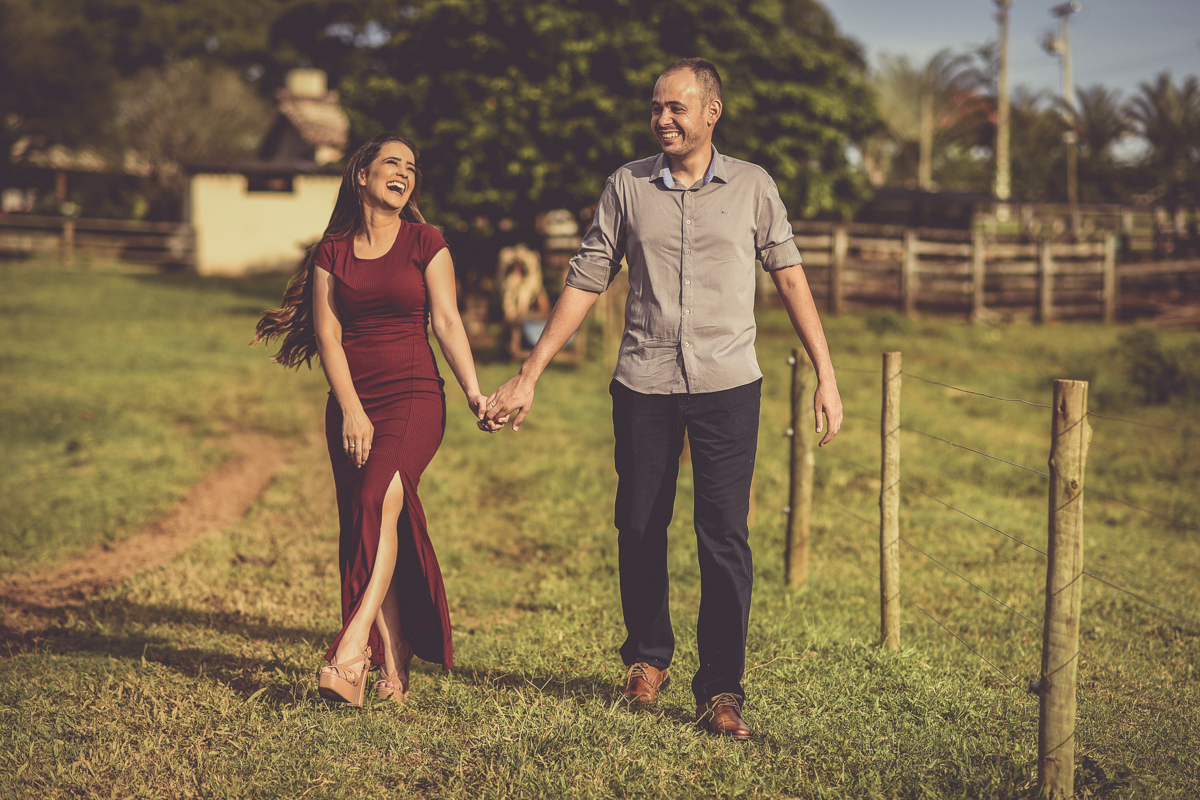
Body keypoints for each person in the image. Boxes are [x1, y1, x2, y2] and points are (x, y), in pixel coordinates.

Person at [483, 59, 843, 739]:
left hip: (728, 385)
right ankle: (648, 657)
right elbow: (586, 278)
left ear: (712, 112)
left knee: (724, 536)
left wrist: (825, 373)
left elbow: (791, 277)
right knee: (640, 524)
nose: (663, 119)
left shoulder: (754, 187)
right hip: (644, 382)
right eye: (656, 108)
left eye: (677, 107)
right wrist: (529, 373)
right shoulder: (627, 186)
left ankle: (721, 690)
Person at [255, 134, 492, 708]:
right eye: (392, 162)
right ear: (361, 174)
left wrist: (473, 392)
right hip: (351, 404)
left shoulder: (426, 242)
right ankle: (396, 652)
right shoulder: (331, 254)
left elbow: (447, 321)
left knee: (376, 498)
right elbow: (328, 336)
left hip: (414, 397)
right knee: (369, 520)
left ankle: (353, 648)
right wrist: (353, 409)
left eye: (412, 166)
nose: (404, 172)